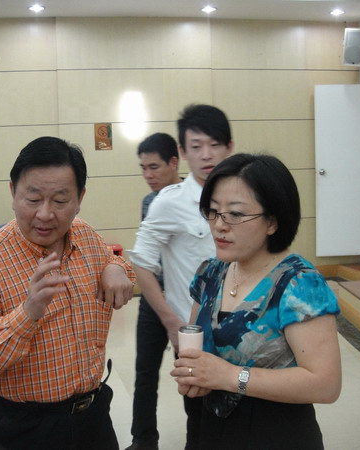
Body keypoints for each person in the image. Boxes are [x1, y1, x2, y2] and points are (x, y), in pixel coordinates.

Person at [0, 136, 136, 450]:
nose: (46, 214)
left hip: (93, 416)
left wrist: (116, 268)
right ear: (13, 193)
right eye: (33, 199)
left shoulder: (85, 236)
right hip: (24, 425)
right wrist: (28, 314)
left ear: (80, 198)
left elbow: (114, 263)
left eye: (60, 201)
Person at [171, 153, 342, 449]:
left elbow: (326, 384)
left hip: (276, 434)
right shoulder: (211, 273)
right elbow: (198, 347)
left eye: (235, 214)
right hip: (210, 429)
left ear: (272, 221)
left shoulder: (298, 284)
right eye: (213, 211)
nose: (219, 225)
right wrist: (194, 375)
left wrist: (229, 376)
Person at [128, 105, 234, 450]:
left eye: (214, 145)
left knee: (238, 414)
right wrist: (171, 321)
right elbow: (141, 262)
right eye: (197, 146)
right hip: (194, 331)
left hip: (238, 325)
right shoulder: (168, 203)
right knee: (199, 416)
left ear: (229, 147)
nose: (207, 155)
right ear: (183, 152)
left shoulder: (245, 196)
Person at [129, 132, 182, 449]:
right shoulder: (149, 203)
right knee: (145, 372)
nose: (148, 175)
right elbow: (148, 257)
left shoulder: (196, 199)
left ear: (174, 162)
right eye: (143, 168)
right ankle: (143, 439)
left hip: (186, 301)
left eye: (154, 167)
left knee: (191, 374)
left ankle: (200, 437)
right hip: (153, 298)